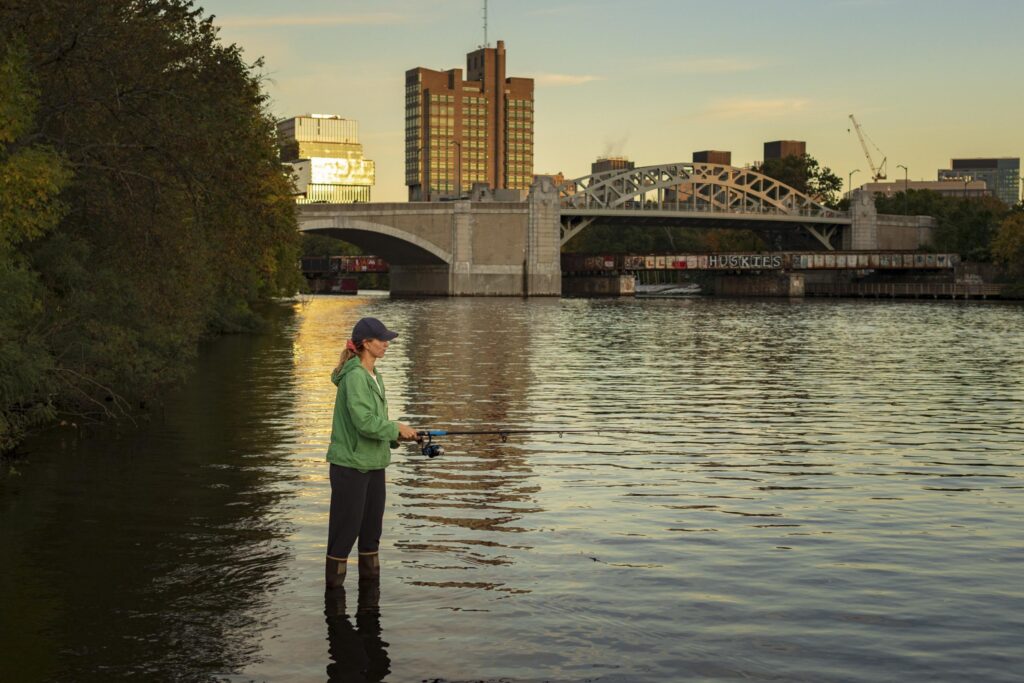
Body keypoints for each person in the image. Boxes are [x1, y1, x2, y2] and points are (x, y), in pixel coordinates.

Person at [326, 317, 418, 590]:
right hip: (350, 466)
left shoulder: (375, 376)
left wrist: (401, 436)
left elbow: (377, 424)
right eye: (381, 339)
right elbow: (364, 422)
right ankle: (334, 599)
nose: (387, 344)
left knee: (371, 536)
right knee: (345, 534)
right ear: (366, 344)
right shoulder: (355, 376)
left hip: (375, 464)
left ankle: (369, 601)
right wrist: (395, 427)